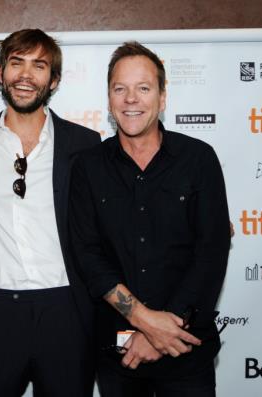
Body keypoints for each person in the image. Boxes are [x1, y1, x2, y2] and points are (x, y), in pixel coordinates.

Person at [69, 41, 231, 397]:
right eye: (120, 88)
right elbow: (88, 256)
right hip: (119, 355)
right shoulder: (87, 167)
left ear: (162, 97)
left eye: (143, 88)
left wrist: (161, 333)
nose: (131, 99)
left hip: (185, 347)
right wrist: (143, 320)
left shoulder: (199, 159)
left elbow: (211, 253)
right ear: (109, 99)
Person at [0, 29, 100, 397]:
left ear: (54, 80)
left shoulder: (84, 144)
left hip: (65, 312)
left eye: (39, 65)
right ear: (0, 73)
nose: (25, 75)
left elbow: (111, 220)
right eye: (16, 63)